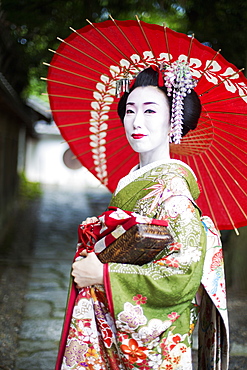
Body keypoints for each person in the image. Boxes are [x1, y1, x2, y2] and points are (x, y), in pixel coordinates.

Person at [56, 65, 229, 370]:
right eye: (130, 110)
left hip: (151, 345)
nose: (136, 122)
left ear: (172, 120)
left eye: (150, 111)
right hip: (114, 325)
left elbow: (182, 276)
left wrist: (102, 275)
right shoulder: (134, 179)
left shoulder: (174, 192)